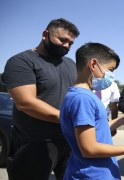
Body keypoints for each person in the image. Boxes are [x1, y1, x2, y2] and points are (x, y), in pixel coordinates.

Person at [60, 42, 124, 179]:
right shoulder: (82, 98)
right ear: (93, 65)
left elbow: (98, 129)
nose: (112, 75)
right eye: (110, 69)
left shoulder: (83, 95)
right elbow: (89, 149)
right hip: (91, 175)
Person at [0, 18, 80, 180]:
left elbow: (78, 94)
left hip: (68, 140)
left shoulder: (70, 64)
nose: (67, 46)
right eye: (63, 40)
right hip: (34, 142)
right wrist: (67, 118)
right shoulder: (21, 62)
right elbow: (26, 103)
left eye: (71, 43)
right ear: (45, 35)